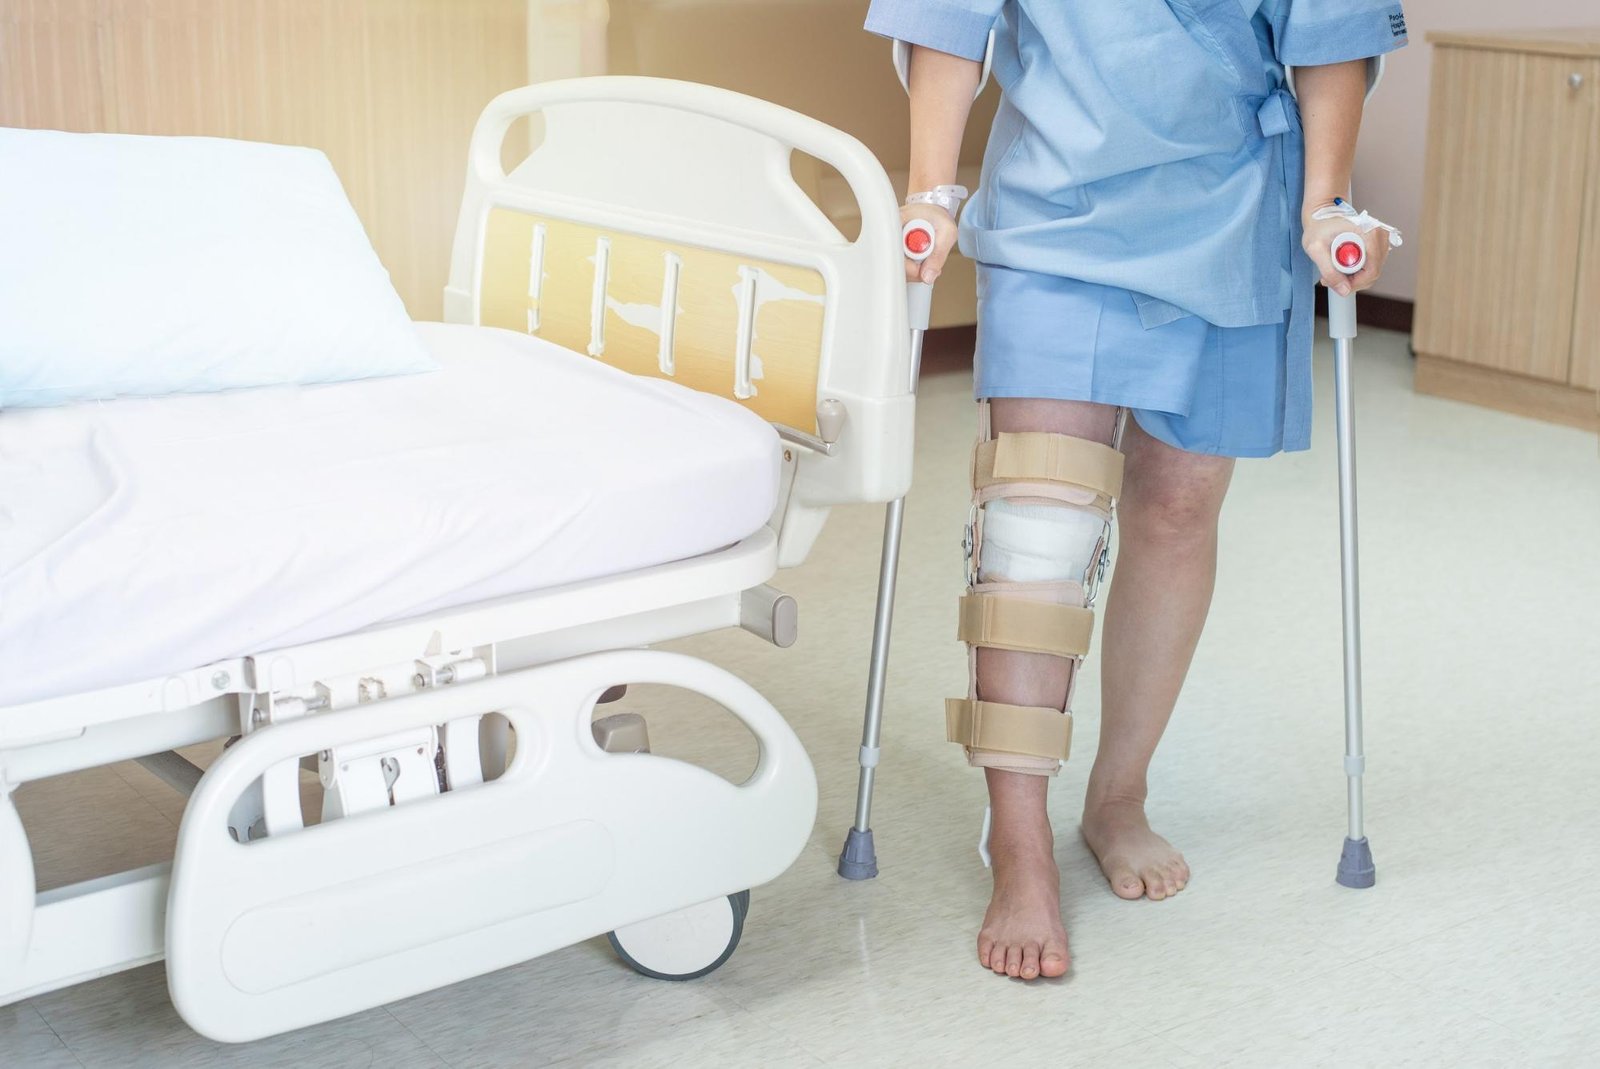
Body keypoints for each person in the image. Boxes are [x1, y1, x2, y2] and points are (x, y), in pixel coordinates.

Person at [864, 0, 1409, 981]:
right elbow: (944, 15)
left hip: (1230, 204)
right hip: (1056, 206)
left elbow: (1331, 30)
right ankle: (1018, 834)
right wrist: (929, 188)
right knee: (1034, 521)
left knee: (1175, 510)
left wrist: (1324, 199)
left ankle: (1118, 795)